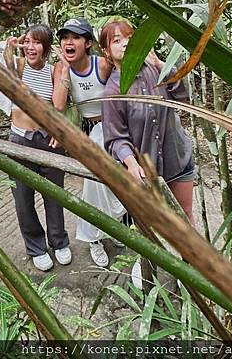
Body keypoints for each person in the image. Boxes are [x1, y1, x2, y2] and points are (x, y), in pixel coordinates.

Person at [101, 18, 195, 223]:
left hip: (178, 159)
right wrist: (131, 164)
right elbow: (116, 139)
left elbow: (184, 98)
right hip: (147, 173)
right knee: (156, 228)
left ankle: (191, 257)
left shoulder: (156, 70)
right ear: (106, 51)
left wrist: (162, 65)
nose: (125, 43)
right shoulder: (113, 92)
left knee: (185, 219)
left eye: (130, 38)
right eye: (116, 40)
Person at [53, 18, 126, 267]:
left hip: (116, 128)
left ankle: (113, 229)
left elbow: (124, 82)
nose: (68, 42)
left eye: (75, 37)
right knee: (93, 186)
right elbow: (59, 105)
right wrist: (64, 70)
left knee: (116, 186)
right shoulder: (62, 69)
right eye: (64, 38)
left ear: (88, 43)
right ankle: (93, 238)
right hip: (91, 132)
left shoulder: (102, 65)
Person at [0, 24, 72, 271]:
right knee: (23, 198)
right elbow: (6, 66)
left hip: (48, 141)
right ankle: (36, 247)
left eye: (37, 42)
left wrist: (64, 67)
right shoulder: (18, 66)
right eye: (28, 41)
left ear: (47, 47)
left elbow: (59, 106)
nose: (31, 47)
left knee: (54, 195)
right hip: (20, 140)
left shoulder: (53, 70)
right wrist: (11, 48)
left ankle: (59, 241)